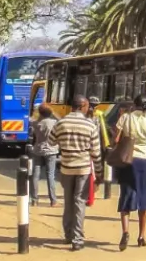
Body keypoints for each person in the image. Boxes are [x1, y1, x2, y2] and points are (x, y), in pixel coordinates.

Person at [50, 95, 100, 252]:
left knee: (68, 201)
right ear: (83, 106)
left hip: (66, 168)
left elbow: (51, 141)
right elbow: (96, 153)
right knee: (79, 202)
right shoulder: (90, 125)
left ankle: (68, 234)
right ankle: (77, 239)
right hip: (83, 168)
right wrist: (99, 174)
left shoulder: (61, 123)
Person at [114, 94, 146, 251]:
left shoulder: (125, 118)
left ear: (134, 104)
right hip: (145, 161)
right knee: (143, 198)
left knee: (126, 195)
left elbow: (116, 139)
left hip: (128, 160)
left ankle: (125, 232)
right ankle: (141, 236)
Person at [30, 104, 59, 207]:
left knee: (35, 175)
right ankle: (53, 200)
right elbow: (61, 120)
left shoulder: (36, 123)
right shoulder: (53, 122)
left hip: (38, 150)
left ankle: (34, 199)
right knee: (50, 175)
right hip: (51, 150)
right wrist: (53, 112)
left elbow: (31, 119)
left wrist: (37, 113)